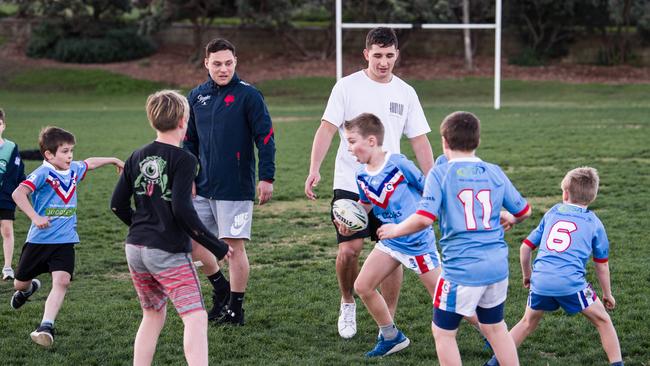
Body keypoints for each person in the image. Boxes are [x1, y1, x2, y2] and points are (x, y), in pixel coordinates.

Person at [304, 27, 434, 339]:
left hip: (392, 187)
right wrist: (314, 168)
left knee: (394, 251)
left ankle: (386, 323)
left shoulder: (406, 92)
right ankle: (347, 302)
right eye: (377, 55)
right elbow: (326, 128)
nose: (383, 62)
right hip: (351, 180)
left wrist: (433, 181)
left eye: (389, 55)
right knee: (350, 249)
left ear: (397, 55)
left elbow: (419, 140)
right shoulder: (347, 87)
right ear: (366, 54)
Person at [378, 111, 532, 366]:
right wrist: (510, 218)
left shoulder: (441, 174)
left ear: (445, 143)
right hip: (497, 268)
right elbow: (524, 211)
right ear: (478, 141)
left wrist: (394, 230)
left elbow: (425, 217)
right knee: (496, 329)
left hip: (462, 270)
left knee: (443, 333)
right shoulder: (493, 171)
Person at [111, 90, 233, 366]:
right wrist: (218, 247)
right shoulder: (185, 159)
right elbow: (182, 209)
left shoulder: (135, 156)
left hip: (135, 248)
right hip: (166, 251)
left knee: (153, 314)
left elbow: (117, 205)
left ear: (153, 121)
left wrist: (146, 228)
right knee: (195, 316)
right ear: (183, 121)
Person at [484, 167, 624, 366]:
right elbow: (601, 265)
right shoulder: (594, 223)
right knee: (603, 321)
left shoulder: (553, 212)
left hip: (540, 281)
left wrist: (528, 275)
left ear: (565, 193)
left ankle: (493, 363)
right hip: (571, 283)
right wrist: (607, 293)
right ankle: (617, 364)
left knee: (526, 323)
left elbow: (525, 248)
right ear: (592, 197)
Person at [184, 38, 275, 325]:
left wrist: (266, 177)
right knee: (193, 242)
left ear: (235, 62)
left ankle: (236, 308)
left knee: (232, 248)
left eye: (228, 63)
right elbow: (188, 141)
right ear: (206, 64)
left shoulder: (249, 95)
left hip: (235, 187)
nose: (223, 69)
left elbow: (266, 138)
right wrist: (189, 177)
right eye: (217, 64)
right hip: (203, 185)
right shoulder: (196, 97)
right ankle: (220, 288)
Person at [335, 113, 440, 357]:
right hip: (390, 241)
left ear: (371, 141)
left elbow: (428, 188)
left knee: (446, 299)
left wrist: (426, 219)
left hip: (416, 242)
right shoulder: (361, 174)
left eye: (352, 141)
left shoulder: (398, 163)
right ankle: (392, 337)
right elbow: (366, 205)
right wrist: (350, 222)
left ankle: (492, 334)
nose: (349, 148)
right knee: (363, 285)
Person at [11, 126, 123, 347]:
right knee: (19, 284)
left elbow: (89, 163)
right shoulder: (43, 173)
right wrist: (34, 216)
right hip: (39, 241)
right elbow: (18, 193)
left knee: (62, 281)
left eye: (71, 150)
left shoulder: (72, 170)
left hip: (65, 240)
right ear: (49, 155)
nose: (70, 155)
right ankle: (28, 289)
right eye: (64, 151)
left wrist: (113, 160)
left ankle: (46, 326)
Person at [0, 108, 26, 280]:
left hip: (5, 198)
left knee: (7, 230)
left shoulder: (11, 147)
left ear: (3, 125)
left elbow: (19, 172)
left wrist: (24, 193)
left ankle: (7, 267)